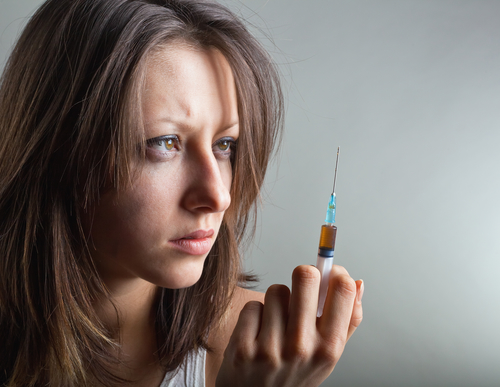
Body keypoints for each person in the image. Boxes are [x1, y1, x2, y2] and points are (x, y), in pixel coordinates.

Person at [0, 0, 364, 385]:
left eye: (225, 145)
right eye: (165, 143)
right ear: (58, 147)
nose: (218, 196)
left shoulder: (261, 354)